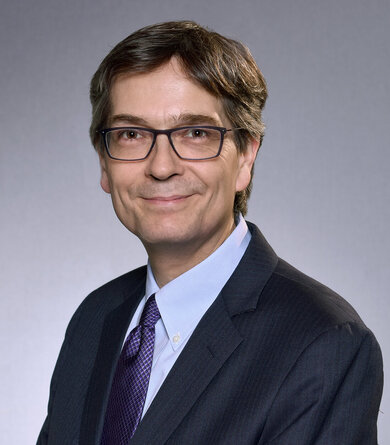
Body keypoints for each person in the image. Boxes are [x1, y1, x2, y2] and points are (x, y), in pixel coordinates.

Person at [37, 21, 383, 445]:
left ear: (245, 157)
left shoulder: (322, 344)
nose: (161, 166)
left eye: (196, 133)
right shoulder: (94, 319)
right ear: (104, 164)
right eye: (131, 134)